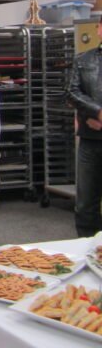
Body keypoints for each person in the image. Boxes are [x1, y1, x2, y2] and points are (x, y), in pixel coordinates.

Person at [67, 15, 102, 237]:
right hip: (91, 142)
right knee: (86, 204)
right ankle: (88, 249)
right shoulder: (83, 61)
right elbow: (72, 92)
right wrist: (96, 111)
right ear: (99, 29)